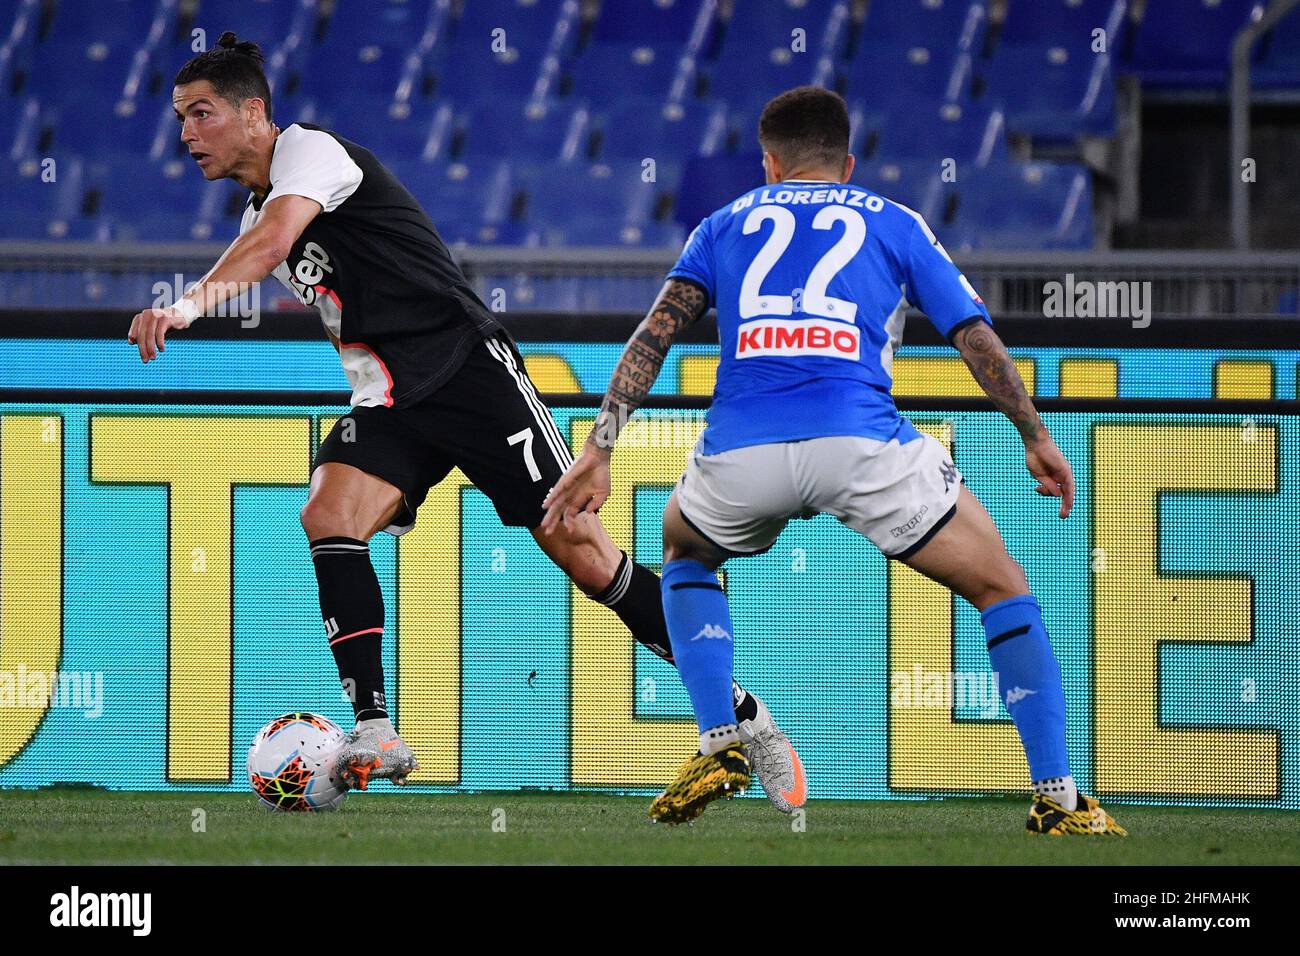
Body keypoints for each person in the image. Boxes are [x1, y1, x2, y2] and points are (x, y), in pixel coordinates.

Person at [126, 32, 805, 809]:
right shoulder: (259, 206)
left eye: (201, 114)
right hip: (390, 401)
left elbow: (274, 241)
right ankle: (376, 728)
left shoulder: (309, 155)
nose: (184, 134)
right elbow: (267, 239)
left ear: (254, 113)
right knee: (327, 513)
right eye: (179, 118)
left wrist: (180, 306)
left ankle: (745, 717)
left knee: (586, 557)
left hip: (469, 375)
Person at [543, 86, 1126, 835]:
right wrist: (1035, 437)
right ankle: (1060, 797)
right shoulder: (897, 222)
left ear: (769, 162)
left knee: (684, 555)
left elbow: (653, 336)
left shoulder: (722, 224)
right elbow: (974, 337)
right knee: (1004, 590)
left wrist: (600, 447)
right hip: (863, 448)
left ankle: (720, 741)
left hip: (740, 454)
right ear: (846, 164)